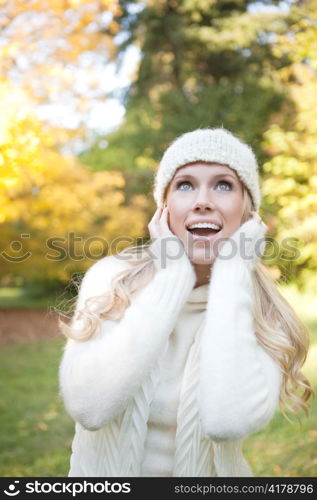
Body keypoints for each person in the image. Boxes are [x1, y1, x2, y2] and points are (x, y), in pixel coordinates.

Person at [58, 128, 313, 477]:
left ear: (247, 212)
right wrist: (173, 278)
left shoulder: (266, 316)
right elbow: (90, 408)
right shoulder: (112, 281)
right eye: (185, 185)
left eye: (224, 185)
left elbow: (226, 420)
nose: (202, 201)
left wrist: (233, 270)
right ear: (164, 208)